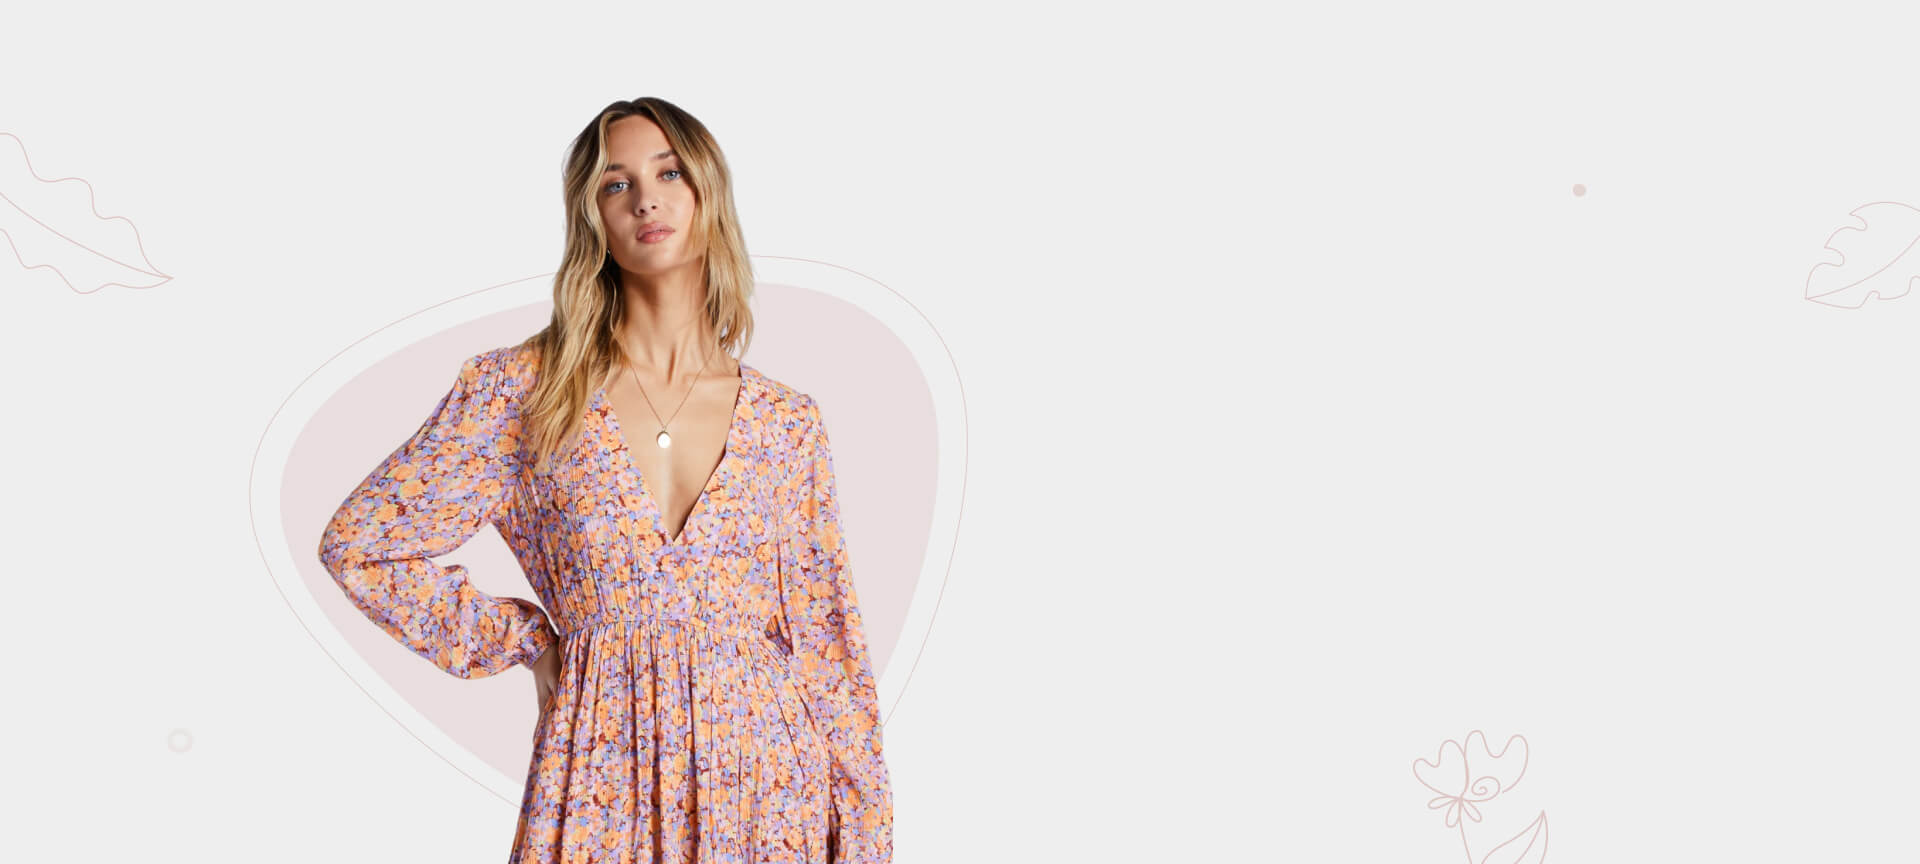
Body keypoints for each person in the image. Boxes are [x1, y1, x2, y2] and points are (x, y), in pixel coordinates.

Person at [316, 97, 893, 864]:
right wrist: (524, 642)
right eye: (616, 184)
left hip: (767, 785)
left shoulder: (787, 423)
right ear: (593, 218)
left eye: (670, 173)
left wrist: (864, 837)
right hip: (598, 773)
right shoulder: (525, 391)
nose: (646, 199)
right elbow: (362, 545)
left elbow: (829, 650)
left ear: (709, 194)